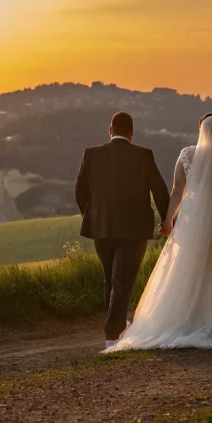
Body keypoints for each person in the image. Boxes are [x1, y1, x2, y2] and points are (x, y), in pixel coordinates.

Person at [103, 113, 212, 352]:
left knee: (189, 265)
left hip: (193, 216)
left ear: (200, 130)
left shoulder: (186, 154)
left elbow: (178, 190)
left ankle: (186, 317)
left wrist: (168, 220)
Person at [75, 111, 170, 348]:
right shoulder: (143, 155)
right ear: (131, 133)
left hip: (102, 228)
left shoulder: (91, 154)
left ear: (110, 131)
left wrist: (93, 217)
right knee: (121, 281)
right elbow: (159, 190)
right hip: (134, 228)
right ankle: (112, 335)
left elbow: (80, 192)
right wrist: (168, 220)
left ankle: (117, 326)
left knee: (111, 279)